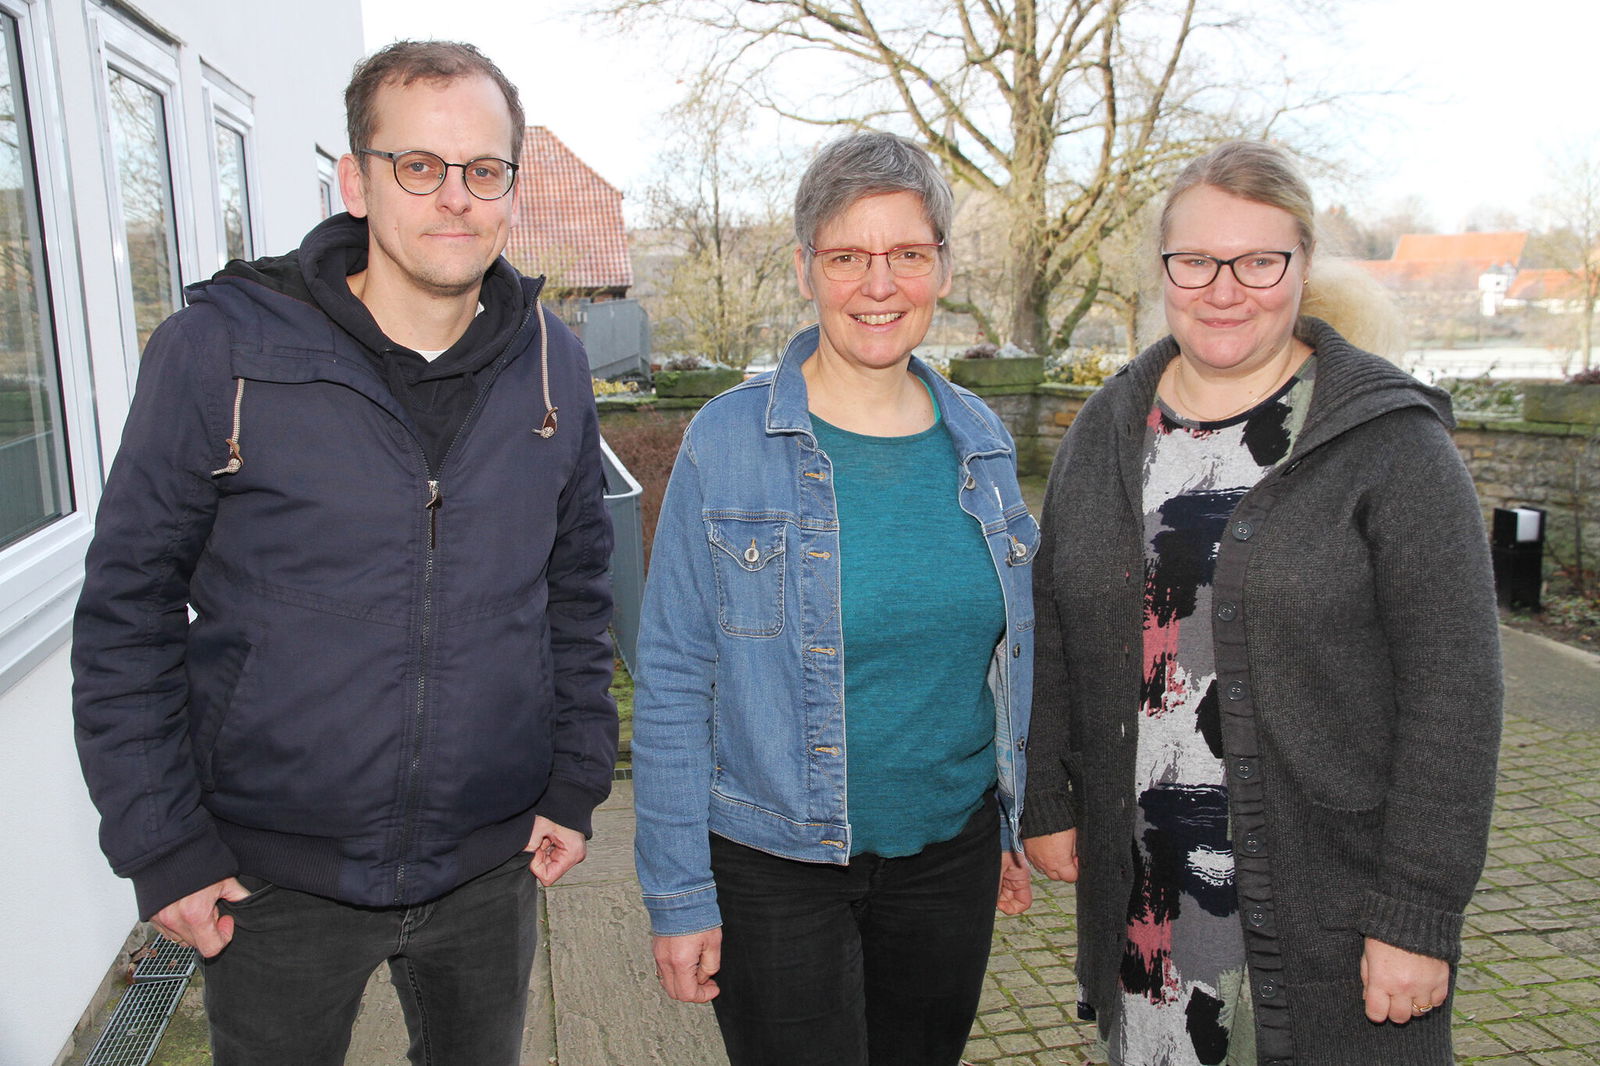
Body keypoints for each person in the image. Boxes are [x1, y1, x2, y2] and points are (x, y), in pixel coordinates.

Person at [71, 40, 617, 1065]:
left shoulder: (555, 365)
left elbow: (575, 592)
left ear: (510, 187)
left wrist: (575, 778)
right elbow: (126, 612)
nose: (453, 198)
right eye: (418, 165)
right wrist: (161, 843)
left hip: (489, 866)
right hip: (271, 881)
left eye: (482, 169)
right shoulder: (221, 352)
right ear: (354, 180)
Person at [1021, 140, 1502, 1066]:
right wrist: (1047, 793)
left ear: (1304, 267)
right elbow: (1053, 625)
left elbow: (1457, 696)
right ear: (1164, 268)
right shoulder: (1108, 429)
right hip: (1149, 913)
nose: (1224, 289)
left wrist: (1418, 911)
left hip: (1333, 923)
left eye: (1259, 261)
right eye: (1196, 261)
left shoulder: (1390, 446)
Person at [631, 132, 1036, 1066]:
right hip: (776, 870)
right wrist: (679, 894)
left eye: (907, 255)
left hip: (950, 859)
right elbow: (674, 677)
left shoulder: (981, 443)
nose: (879, 285)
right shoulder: (728, 442)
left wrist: (1010, 819)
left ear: (940, 265)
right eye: (848, 257)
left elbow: (1007, 657)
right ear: (808, 269)